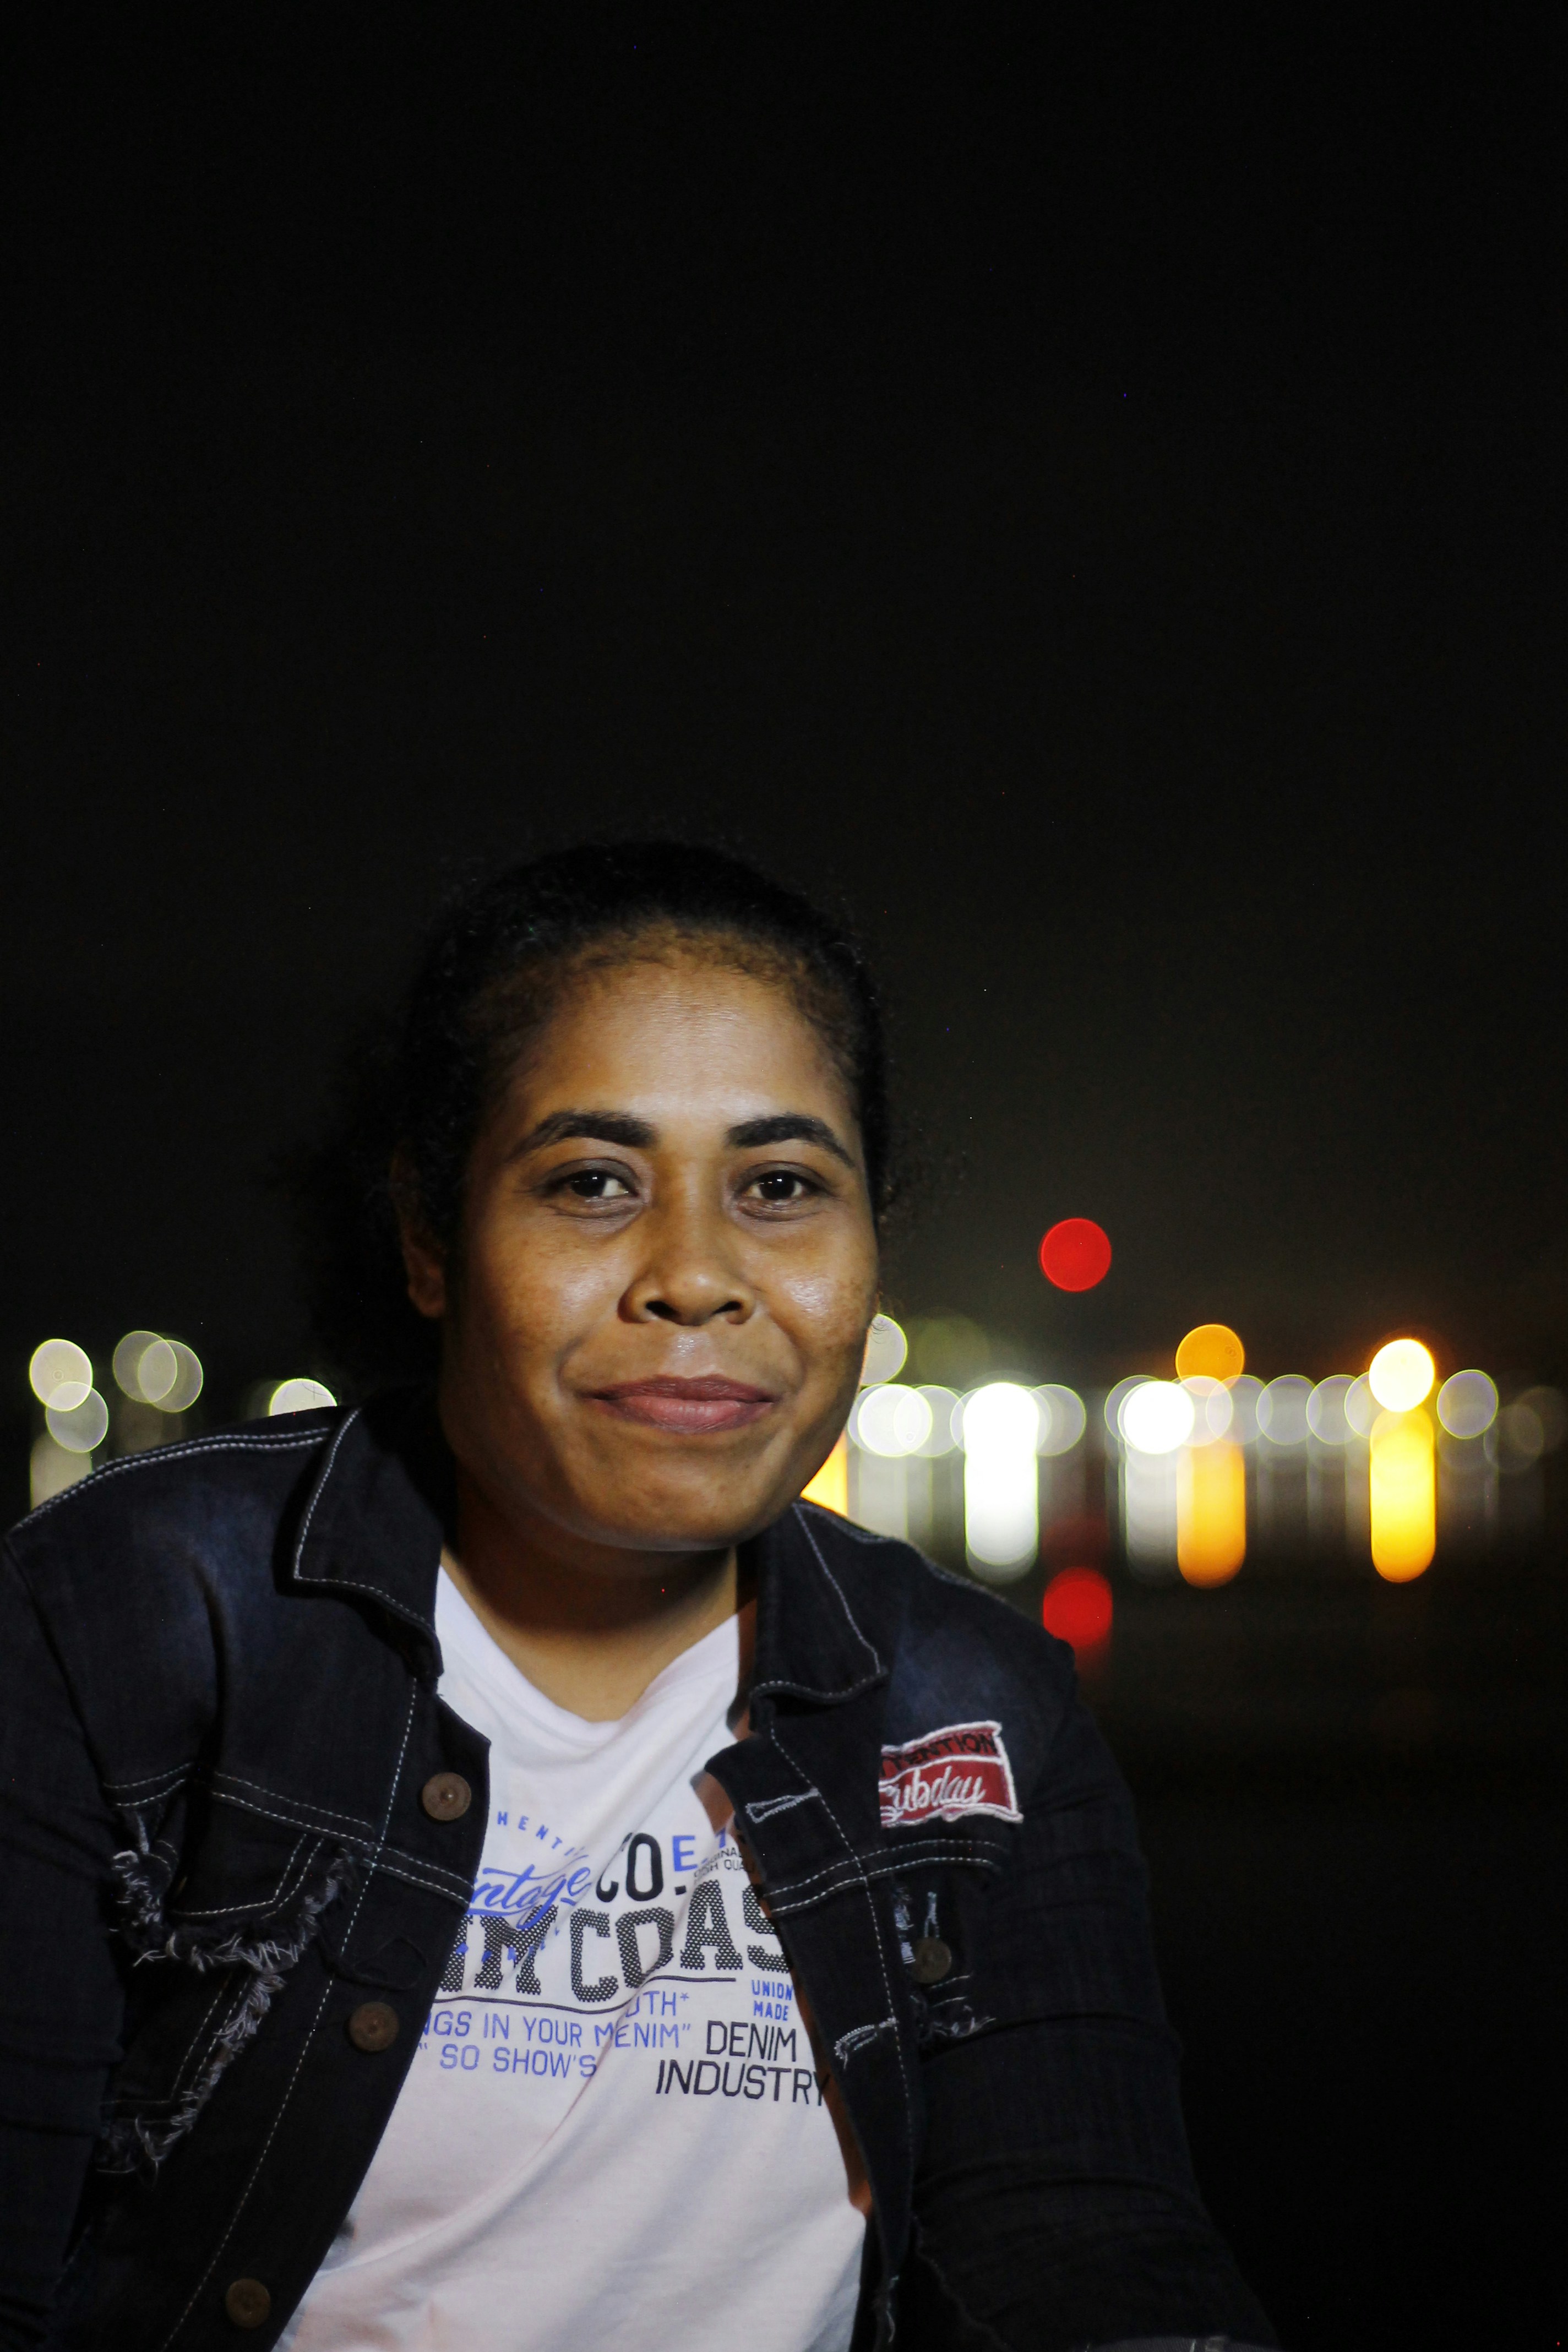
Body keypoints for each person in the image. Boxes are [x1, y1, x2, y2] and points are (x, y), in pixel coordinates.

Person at [0, 842, 1278, 2352]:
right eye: (595, 1182)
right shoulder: (135, 1614)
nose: (695, 1275)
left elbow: (1088, 2256)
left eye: (782, 1185)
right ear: (429, 1235)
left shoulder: (975, 1706)